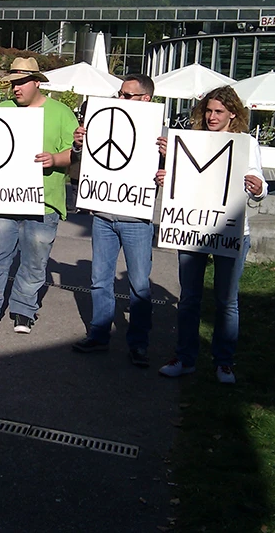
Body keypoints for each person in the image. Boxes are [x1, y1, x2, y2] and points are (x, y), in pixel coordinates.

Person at [155, 86, 267, 384]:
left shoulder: (246, 143)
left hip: (231, 232)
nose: (212, 116)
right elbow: (183, 180)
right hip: (192, 229)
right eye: (208, 110)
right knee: (189, 299)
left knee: (226, 301)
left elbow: (260, 184)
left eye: (219, 111)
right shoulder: (190, 141)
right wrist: (167, 174)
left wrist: (257, 186)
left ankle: (224, 362)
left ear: (233, 113)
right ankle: (185, 357)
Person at [0, 57, 78, 334]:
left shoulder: (61, 112)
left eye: (22, 82)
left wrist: (54, 159)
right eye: (13, 83)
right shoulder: (3, 109)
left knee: (35, 261)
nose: (16, 88)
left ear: (37, 82)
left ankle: (24, 311)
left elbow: (74, 153)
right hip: (3, 199)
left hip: (44, 202)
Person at [69, 74, 158, 367]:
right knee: (99, 280)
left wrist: (168, 161)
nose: (120, 100)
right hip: (103, 215)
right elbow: (86, 161)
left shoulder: (161, 131)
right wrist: (80, 145)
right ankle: (99, 334)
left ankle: (139, 343)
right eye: (119, 94)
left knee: (139, 285)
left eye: (127, 95)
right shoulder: (105, 120)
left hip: (137, 219)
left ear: (145, 99)